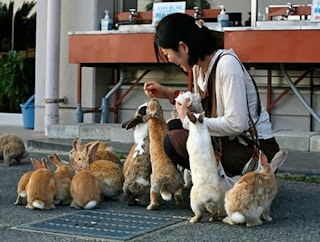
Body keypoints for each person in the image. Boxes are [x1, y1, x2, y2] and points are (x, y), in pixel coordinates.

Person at [143, 13, 279, 176]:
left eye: (167, 54)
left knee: (175, 140)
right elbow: (204, 108)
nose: (170, 59)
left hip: (254, 150)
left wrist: (188, 121)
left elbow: (236, 124)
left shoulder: (227, 65)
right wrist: (169, 94)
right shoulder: (198, 67)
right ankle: (217, 183)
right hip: (231, 143)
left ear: (183, 47)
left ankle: (224, 184)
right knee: (172, 126)